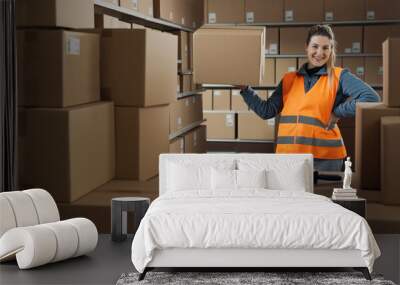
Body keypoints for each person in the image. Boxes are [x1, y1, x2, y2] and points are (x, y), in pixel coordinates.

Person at [239, 24, 380, 171]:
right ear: (306, 47)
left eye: (326, 48)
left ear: (331, 50)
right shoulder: (289, 79)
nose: (320, 53)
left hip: (325, 159)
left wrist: (338, 112)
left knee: (322, 195)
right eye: (315, 46)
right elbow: (266, 111)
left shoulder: (339, 76)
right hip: (287, 158)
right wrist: (245, 89)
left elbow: (370, 97)